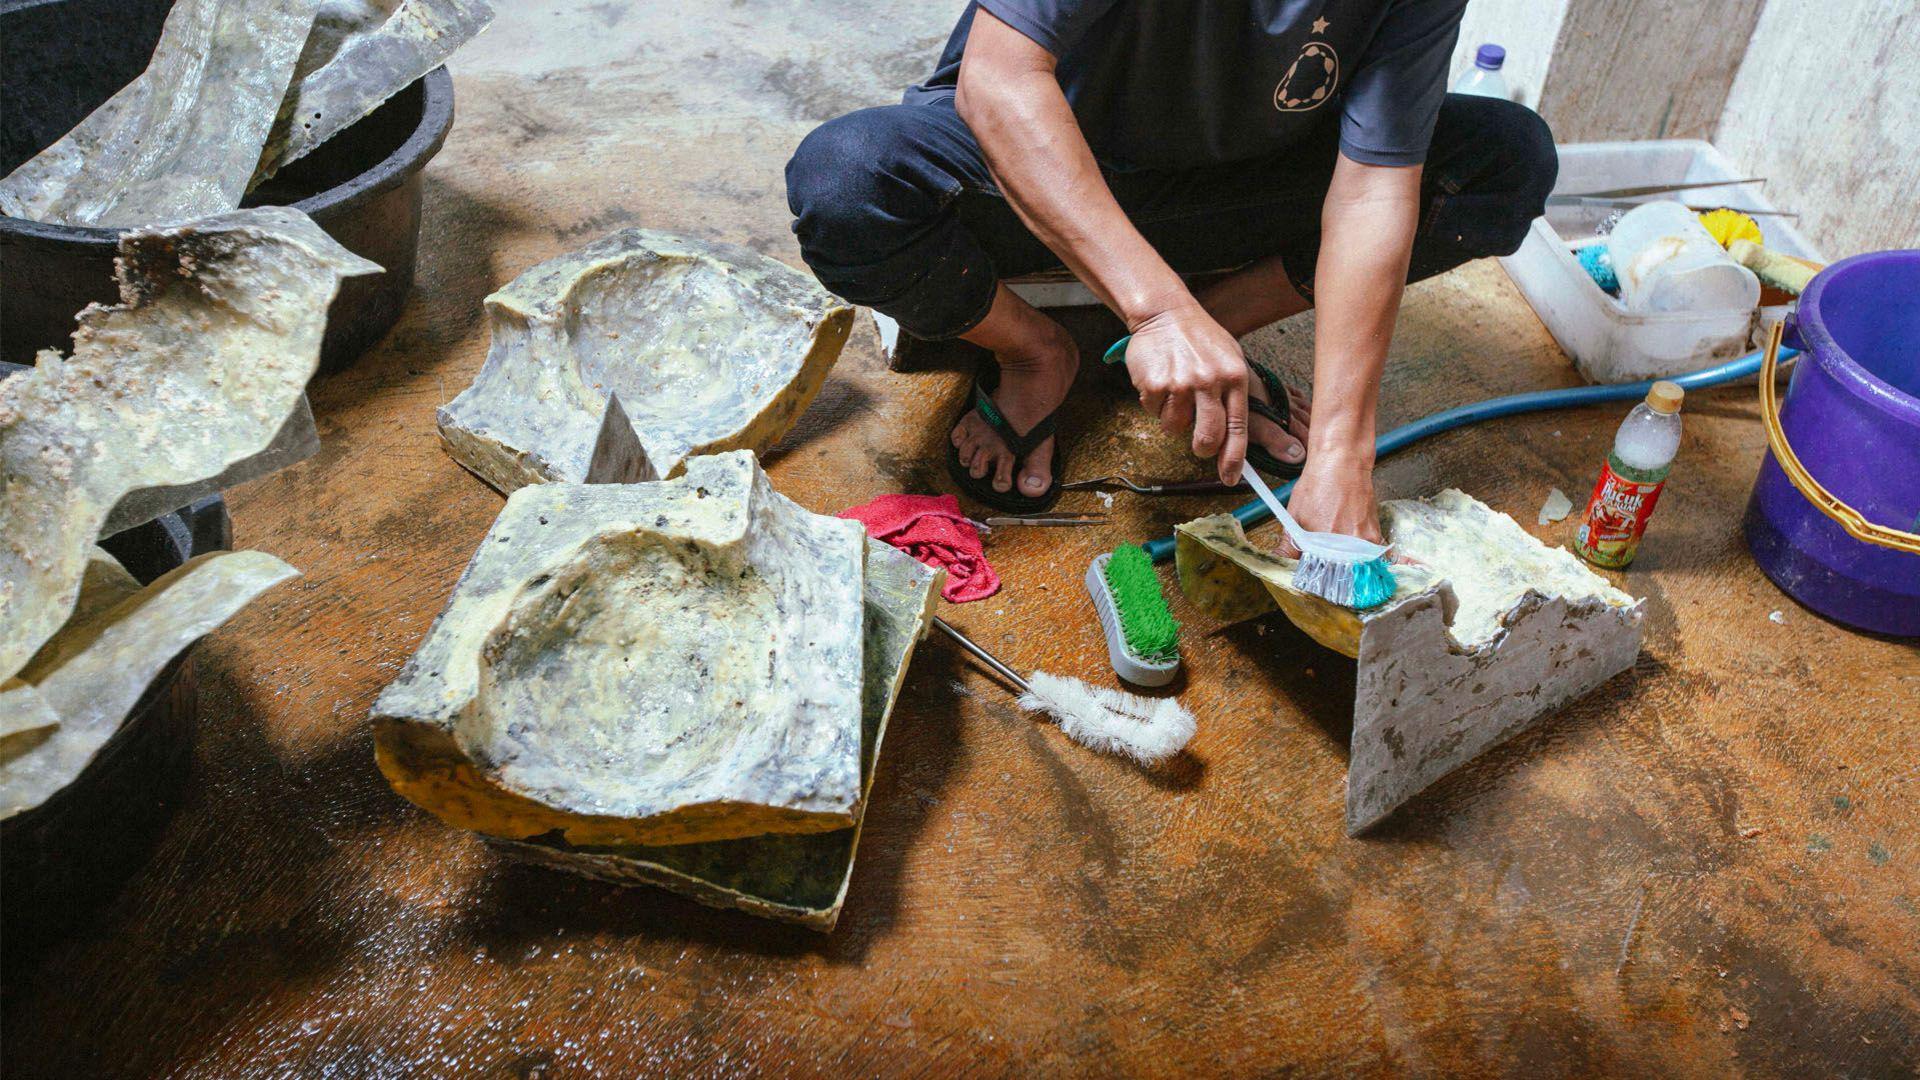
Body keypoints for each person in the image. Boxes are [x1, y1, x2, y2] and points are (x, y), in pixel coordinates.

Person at [785, 0, 1556, 545]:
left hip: (1231, 186)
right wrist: (1156, 311)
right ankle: (1036, 349)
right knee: (846, 186)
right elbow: (1000, 78)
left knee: (1503, 162)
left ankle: (1215, 328)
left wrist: (1342, 452)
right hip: (1039, 171)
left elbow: (1375, 186)